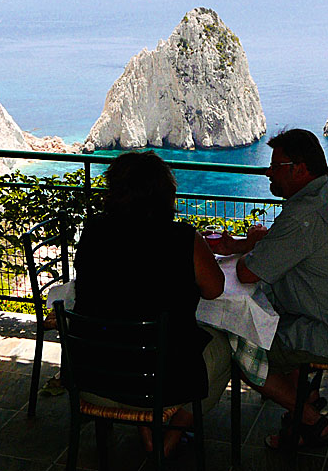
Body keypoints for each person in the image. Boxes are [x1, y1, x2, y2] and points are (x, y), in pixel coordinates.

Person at [208, 128, 328, 449]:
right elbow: (281, 248)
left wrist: (245, 250)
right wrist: (249, 244)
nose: (268, 172)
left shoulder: (306, 213)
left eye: (276, 167)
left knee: (247, 348)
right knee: (274, 322)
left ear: (299, 170)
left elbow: (248, 273)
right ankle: (307, 398)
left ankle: (310, 420)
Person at [73, 150, 229, 458]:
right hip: (161, 383)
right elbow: (214, 290)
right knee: (225, 348)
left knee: (137, 339)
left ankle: (149, 428)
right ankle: (167, 439)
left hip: (93, 377)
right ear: (165, 194)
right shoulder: (184, 238)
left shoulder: (93, 231)